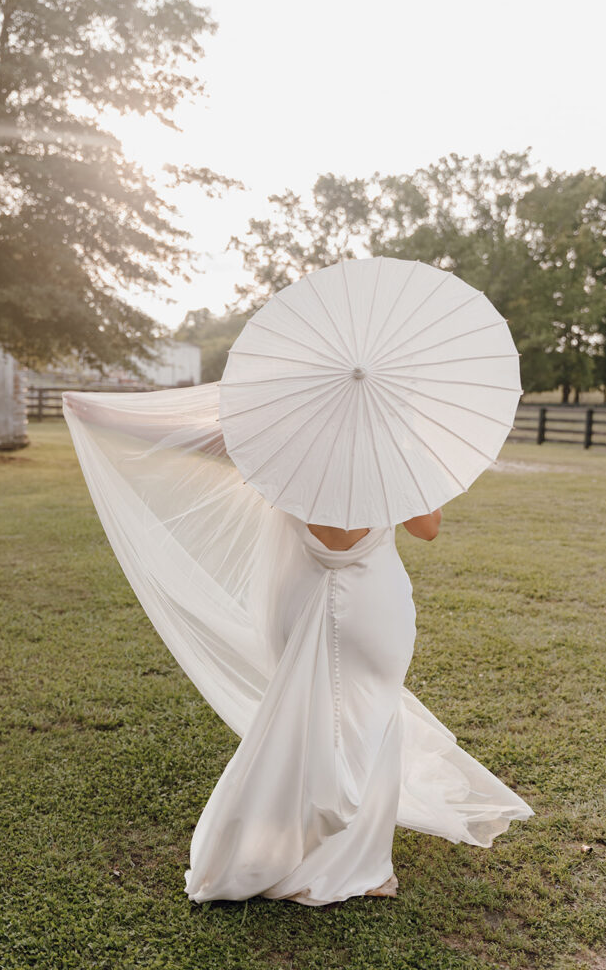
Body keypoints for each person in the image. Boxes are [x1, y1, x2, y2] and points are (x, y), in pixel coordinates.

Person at [63, 382, 534, 907]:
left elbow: (188, 438)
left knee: (304, 717)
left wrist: (98, 411)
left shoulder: (282, 438)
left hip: (300, 595)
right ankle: (357, 861)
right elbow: (428, 529)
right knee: (372, 719)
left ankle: (281, 842)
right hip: (374, 605)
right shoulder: (395, 444)